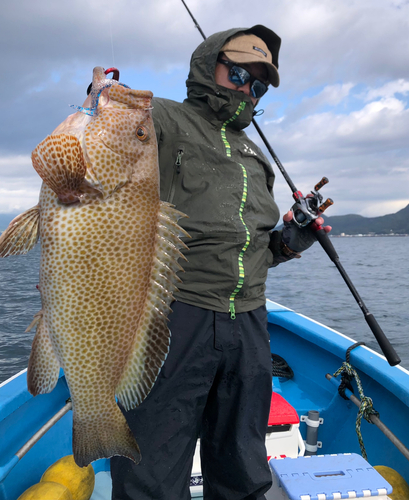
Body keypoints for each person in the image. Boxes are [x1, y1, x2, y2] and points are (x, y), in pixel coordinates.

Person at [110, 25, 330, 500]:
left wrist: (291, 240)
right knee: (152, 467)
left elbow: (251, 248)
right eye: (237, 74)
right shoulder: (163, 118)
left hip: (249, 323)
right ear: (207, 66)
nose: (247, 91)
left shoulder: (254, 156)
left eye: (257, 86)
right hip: (175, 312)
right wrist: (103, 95)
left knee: (243, 465)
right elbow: (112, 123)